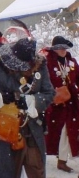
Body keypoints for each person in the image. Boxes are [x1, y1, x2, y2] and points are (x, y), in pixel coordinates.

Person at [0, 37, 55, 178]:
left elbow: (49, 92)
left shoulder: (40, 66)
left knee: (37, 171)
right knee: (1, 172)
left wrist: (32, 101)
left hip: (32, 129)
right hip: (3, 127)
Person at [44, 36, 79, 173]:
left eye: (64, 47)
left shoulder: (71, 61)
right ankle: (61, 160)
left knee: (70, 130)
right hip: (56, 106)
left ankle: (63, 158)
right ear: (54, 49)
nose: (63, 50)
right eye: (60, 48)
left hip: (72, 103)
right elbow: (45, 84)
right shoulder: (47, 64)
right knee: (61, 131)